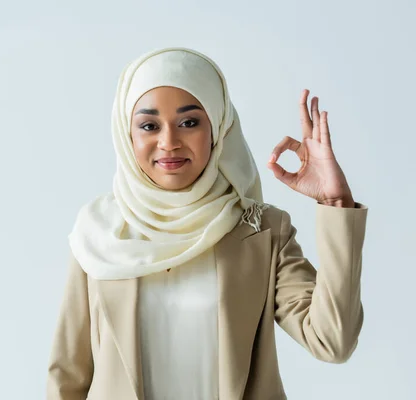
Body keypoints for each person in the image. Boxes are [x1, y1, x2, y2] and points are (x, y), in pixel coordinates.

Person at [46, 47, 368, 400]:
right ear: (127, 136)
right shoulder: (100, 232)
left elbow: (333, 342)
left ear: (217, 128)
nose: (168, 142)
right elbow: (68, 376)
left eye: (189, 122)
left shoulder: (260, 230)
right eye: (149, 126)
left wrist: (336, 203)